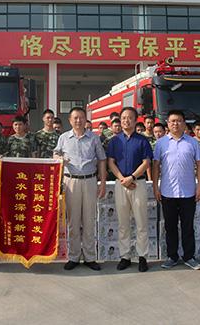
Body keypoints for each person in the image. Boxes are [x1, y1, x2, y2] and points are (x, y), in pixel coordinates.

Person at [54, 107, 106, 271]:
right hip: (71, 182)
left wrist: (103, 182)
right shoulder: (63, 138)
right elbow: (55, 154)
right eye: (75, 118)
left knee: (89, 220)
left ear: (86, 120)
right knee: (73, 221)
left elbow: (102, 160)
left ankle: (90, 257)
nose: (78, 121)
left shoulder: (94, 138)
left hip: (90, 181)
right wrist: (60, 158)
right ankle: (74, 256)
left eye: (81, 117)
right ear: (70, 120)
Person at [152, 109, 200, 270]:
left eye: (179, 121)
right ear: (168, 124)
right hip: (167, 192)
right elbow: (156, 166)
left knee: (188, 226)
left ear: (184, 124)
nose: (175, 123)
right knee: (170, 227)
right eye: (172, 121)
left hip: (188, 192)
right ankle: (172, 256)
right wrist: (155, 187)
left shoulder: (192, 142)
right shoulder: (161, 143)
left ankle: (189, 257)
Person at [106, 107, 153, 272]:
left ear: (135, 120)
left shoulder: (142, 140)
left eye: (130, 118)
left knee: (141, 222)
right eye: (123, 118)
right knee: (123, 223)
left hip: (138, 183)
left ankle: (142, 257)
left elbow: (146, 162)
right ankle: (125, 256)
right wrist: (122, 179)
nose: (126, 120)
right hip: (120, 184)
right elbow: (110, 162)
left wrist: (131, 177)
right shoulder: (114, 141)